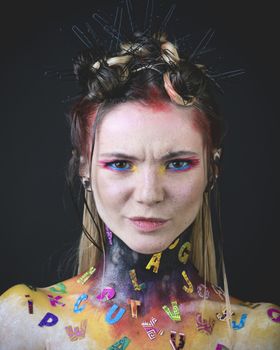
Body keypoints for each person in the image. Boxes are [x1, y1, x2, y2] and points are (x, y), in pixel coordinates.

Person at [0, 7, 279, 350]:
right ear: (84, 168)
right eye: (120, 164)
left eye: (177, 164)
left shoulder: (258, 334)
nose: (149, 194)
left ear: (212, 170)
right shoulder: (23, 323)